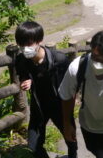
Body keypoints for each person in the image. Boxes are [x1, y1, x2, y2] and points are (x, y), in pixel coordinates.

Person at [14, 21, 77, 158]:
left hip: (60, 106)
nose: (25, 48)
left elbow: (71, 87)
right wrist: (26, 80)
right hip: (39, 106)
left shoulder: (59, 60)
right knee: (33, 146)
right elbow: (23, 73)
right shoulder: (21, 60)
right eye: (21, 44)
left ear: (40, 41)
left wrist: (69, 116)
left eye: (28, 44)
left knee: (71, 140)